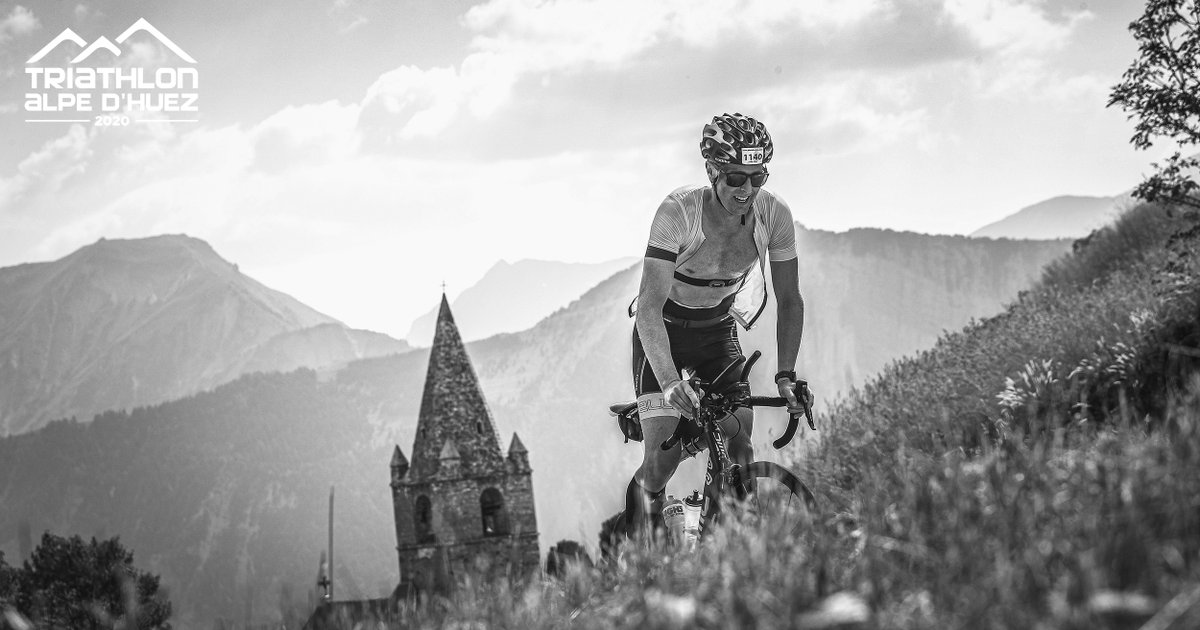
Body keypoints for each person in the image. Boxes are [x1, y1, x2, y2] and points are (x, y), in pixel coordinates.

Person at [623, 112, 811, 535]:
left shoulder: (773, 214)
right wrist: (669, 382)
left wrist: (786, 376)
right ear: (712, 171)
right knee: (660, 464)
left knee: (740, 444)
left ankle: (728, 549)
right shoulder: (679, 212)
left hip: (717, 331)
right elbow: (648, 308)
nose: (747, 190)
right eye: (736, 178)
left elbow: (790, 299)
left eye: (757, 178)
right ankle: (632, 550)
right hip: (664, 331)